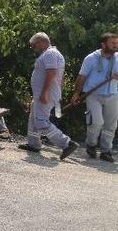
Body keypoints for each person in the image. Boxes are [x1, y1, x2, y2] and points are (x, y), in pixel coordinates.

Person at [18, 33, 79, 159]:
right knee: (34, 117)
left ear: (41, 42)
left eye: (34, 46)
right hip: (44, 93)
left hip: (45, 94)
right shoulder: (52, 53)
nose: (34, 48)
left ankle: (67, 143)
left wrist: (44, 93)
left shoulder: (50, 54)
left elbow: (51, 73)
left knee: (41, 121)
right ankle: (33, 144)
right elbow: (59, 77)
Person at [71, 32, 118, 163]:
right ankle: (91, 144)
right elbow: (81, 77)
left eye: (117, 43)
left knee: (111, 125)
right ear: (103, 44)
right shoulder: (91, 58)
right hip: (93, 95)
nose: (116, 46)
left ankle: (106, 151)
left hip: (113, 94)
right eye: (113, 43)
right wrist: (76, 93)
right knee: (96, 121)